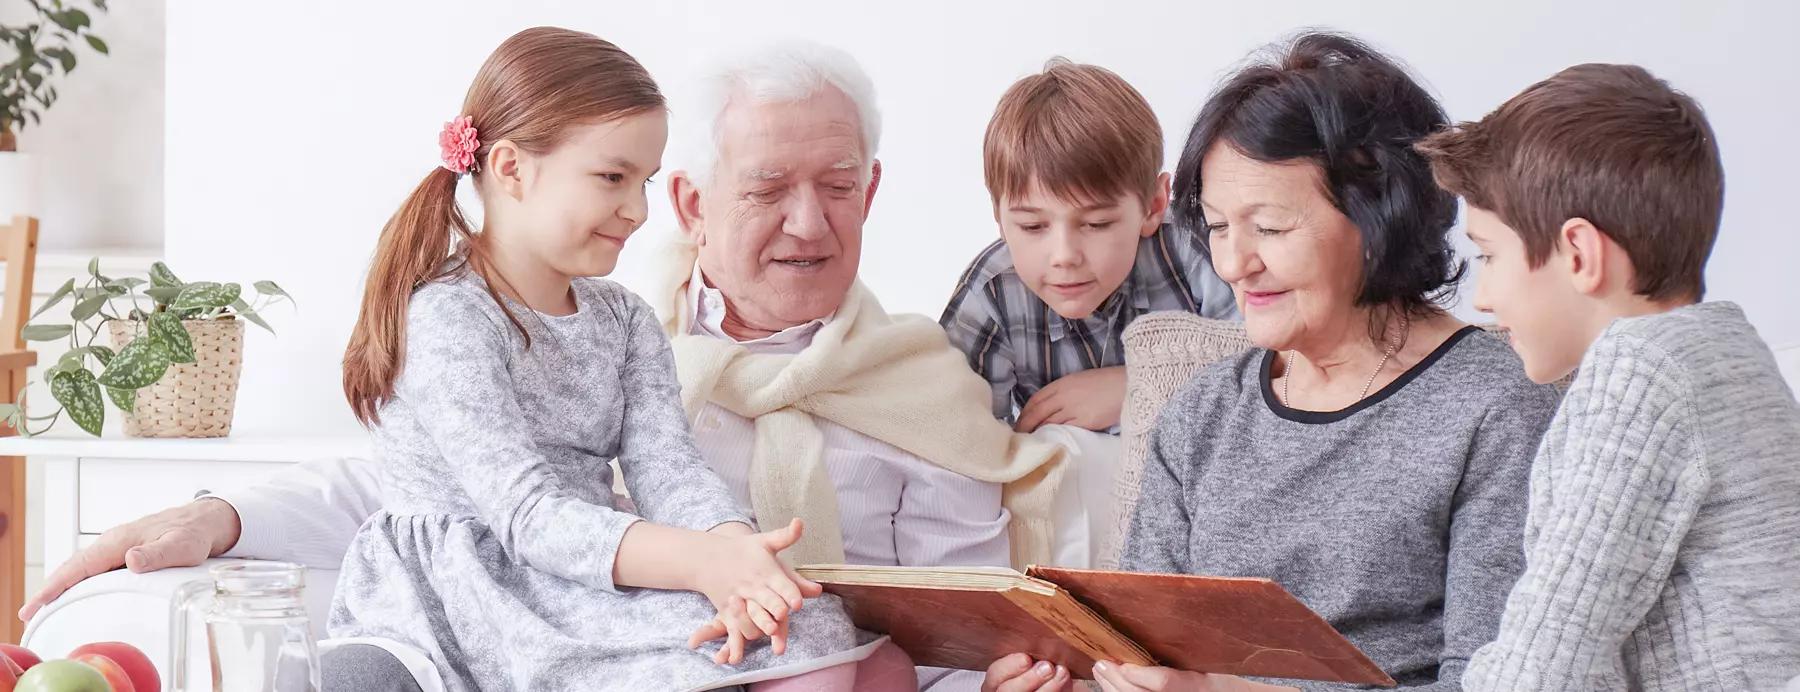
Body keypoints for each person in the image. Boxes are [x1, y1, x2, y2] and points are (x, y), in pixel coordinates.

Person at [325, 26, 913, 691]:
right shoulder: (448, 317)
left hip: (589, 572)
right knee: (817, 655)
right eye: (612, 178)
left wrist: (736, 554)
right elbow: (526, 516)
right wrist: (701, 565)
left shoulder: (624, 319)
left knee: (856, 653)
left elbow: (670, 471)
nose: (637, 210)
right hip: (479, 592)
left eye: (645, 181)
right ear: (511, 168)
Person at [983, 32, 1561, 692]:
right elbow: (1139, 657)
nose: (1233, 263)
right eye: (1221, 226)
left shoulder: (1496, 405)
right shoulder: (1204, 411)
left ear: (1378, 217)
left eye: (1269, 228)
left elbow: (1497, 682)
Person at [1416, 63, 1800, 690]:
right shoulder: (1727, 354)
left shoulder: (1639, 373)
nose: (1481, 297)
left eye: (1489, 256)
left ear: (1578, 254)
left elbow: (1549, 657)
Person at [940, 58, 1236, 434]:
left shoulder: (1192, 248)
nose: (1064, 255)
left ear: (1154, 205)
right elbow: (961, 442)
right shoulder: (992, 292)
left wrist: (1138, 385)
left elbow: (1279, 361)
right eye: (1032, 226)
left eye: (1097, 224)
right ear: (998, 216)